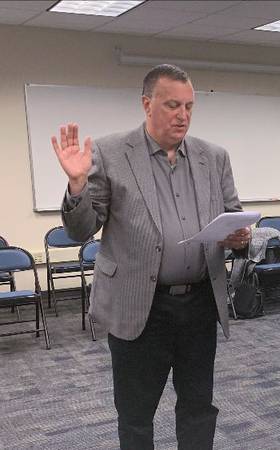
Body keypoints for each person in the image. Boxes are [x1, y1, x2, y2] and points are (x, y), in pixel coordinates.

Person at [53, 64, 250, 450]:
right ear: (147, 104)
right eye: (173, 105)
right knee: (136, 416)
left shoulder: (215, 157)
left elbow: (233, 214)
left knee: (198, 408)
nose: (183, 115)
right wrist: (77, 185)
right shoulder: (111, 153)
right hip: (139, 306)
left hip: (198, 305)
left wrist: (239, 237)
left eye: (190, 106)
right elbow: (81, 229)